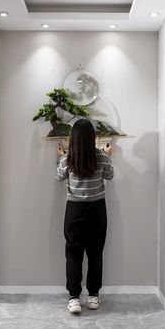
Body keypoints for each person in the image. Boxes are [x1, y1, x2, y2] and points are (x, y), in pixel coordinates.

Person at [55, 119, 114, 314]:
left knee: (73, 254)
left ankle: (73, 299)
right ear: (92, 138)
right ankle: (93, 296)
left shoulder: (68, 158)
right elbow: (110, 175)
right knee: (95, 253)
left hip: (74, 210)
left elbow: (58, 176)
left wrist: (60, 157)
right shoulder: (100, 156)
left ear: (73, 139)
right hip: (97, 209)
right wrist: (107, 155)